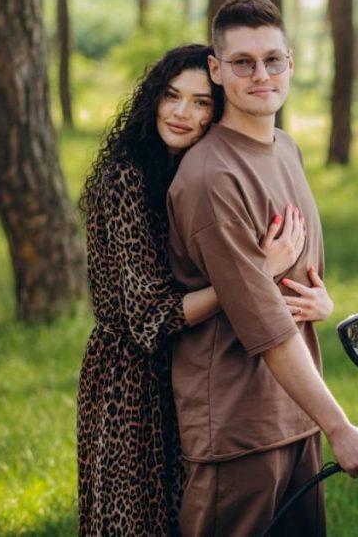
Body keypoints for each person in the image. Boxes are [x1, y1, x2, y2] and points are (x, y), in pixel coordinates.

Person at [78, 44, 329, 536]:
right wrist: (252, 272)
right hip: (132, 381)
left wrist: (317, 300)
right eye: (171, 96)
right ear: (152, 99)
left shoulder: (199, 169)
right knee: (139, 523)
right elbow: (152, 317)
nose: (181, 112)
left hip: (194, 369)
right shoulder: (126, 178)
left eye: (200, 102)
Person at [165, 0, 358, 536]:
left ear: (290, 62)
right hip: (238, 433)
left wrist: (321, 302)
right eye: (242, 62)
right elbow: (264, 327)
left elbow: (289, 285)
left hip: (294, 416)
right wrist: (340, 427)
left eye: (272, 60)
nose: (261, 75)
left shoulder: (285, 148)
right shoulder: (210, 177)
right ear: (217, 71)